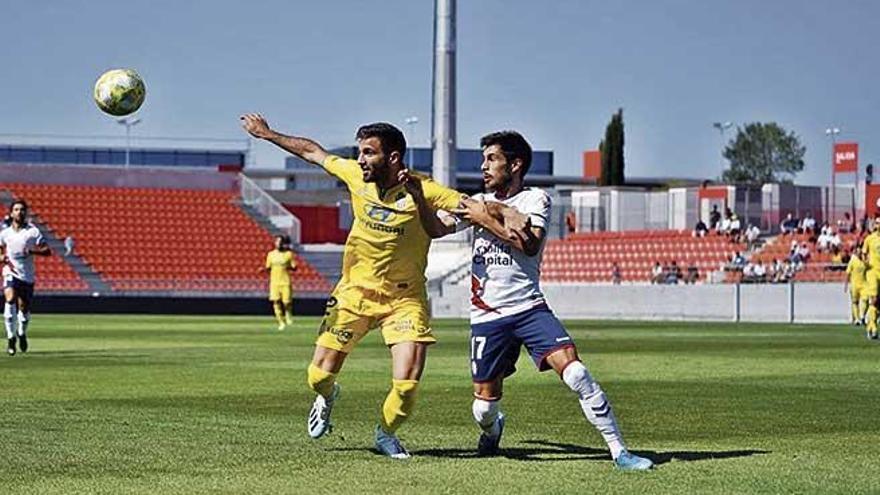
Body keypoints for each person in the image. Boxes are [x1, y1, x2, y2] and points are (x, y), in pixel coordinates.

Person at [403, 130, 653, 470]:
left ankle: (619, 451)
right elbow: (435, 228)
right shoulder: (476, 202)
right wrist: (419, 197)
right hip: (487, 317)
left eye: (492, 159)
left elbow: (529, 245)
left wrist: (485, 215)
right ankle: (493, 430)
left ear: (515, 164)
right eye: (484, 160)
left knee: (577, 373)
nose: (484, 167)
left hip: (529, 308)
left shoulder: (537, 200)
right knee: (483, 409)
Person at [241, 114, 465, 458]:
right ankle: (328, 395)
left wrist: (506, 214)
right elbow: (312, 152)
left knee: (406, 386)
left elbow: (467, 206)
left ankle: (386, 434)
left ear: (392, 158)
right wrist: (267, 134)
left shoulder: (425, 189)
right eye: (359, 152)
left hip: (404, 299)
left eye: (368, 153)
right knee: (317, 377)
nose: (360, 160)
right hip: (353, 294)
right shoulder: (354, 176)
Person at [0, 200, 51, 356]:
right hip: (11, 271)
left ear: (26, 212)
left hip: (26, 275)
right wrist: (2, 257)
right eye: (16, 209)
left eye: (22, 210)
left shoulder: (32, 232)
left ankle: (21, 333)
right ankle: (10, 338)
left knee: (24, 308)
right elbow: (1, 251)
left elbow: (47, 251)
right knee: (10, 298)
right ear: (11, 213)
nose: (19, 212)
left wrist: (32, 252)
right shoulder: (4, 233)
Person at [261, 234, 297, 331]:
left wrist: (289, 266)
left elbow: (294, 267)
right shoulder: (271, 254)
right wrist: (263, 269)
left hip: (285, 281)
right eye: (277, 241)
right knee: (275, 301)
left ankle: (288, 314)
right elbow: (268, 267)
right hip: (274, 282)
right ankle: (281, 322)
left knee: (286, 302)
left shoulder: (288, 254)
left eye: (280, 242)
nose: (279, 243)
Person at [861, 221, 880, 339]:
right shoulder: (869, 239)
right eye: (877, 224)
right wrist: (866, 262)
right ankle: (873, 328)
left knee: (878, 304)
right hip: (872, 272)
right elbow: (863, 253)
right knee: (873, 299)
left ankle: (870, 326)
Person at [845, 249, 868, 326]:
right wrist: (846, 284)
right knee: (855, 302)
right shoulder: (853, 260)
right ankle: (857, 319)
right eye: (858, 252)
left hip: (864, 284)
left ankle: (862, 316)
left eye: (860, 252)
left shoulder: (865, 260)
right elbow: (848, 273)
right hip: (854, 284)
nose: (859, 253)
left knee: (866, 299)